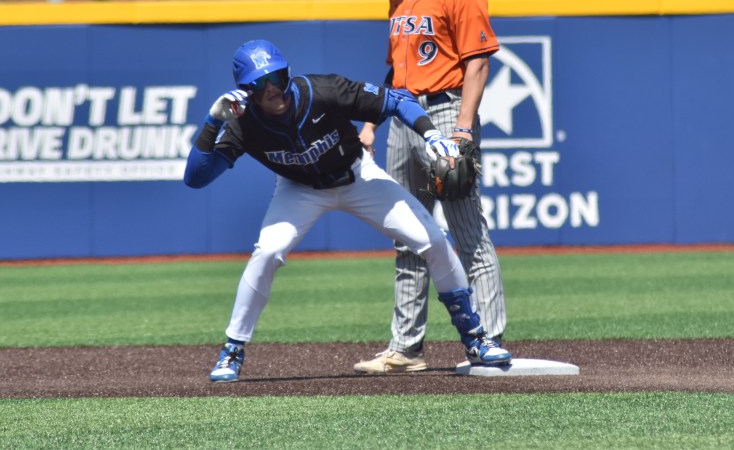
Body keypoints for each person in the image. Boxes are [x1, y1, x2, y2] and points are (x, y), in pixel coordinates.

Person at [184, 39, 511, 382]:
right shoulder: (244, 123)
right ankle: (232, 351)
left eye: (276, 77)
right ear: (246, 90)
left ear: (287, 74)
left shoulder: (322, 91)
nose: (272, 89)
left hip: (357, 176)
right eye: (260, 83)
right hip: (299, 189)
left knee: (433, 240)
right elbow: (196, 178)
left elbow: (397, 100)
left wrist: (431, 135)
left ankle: (475, 338)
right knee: (267, 252)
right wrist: (212, 122)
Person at [354, 0, 507, 374]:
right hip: (403, 114)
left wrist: (462, 128)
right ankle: (406, 348)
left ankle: (488, 339)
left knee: (466, 231)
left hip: (444, 110)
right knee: (408, 235)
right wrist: (372, 122)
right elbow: (395, 70)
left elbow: (477, 62)